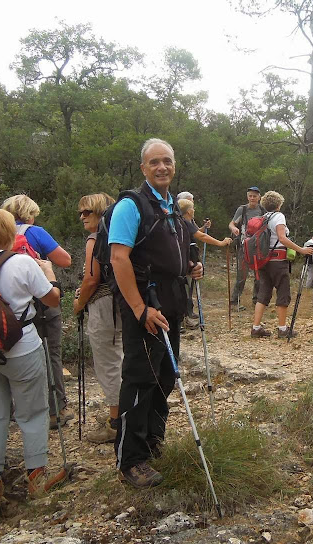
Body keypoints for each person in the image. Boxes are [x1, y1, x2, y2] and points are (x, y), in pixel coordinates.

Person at [108, 138, 203, 488]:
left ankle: (151, 443)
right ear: (143, 168)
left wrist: (191, 266)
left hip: (171, 306)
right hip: (145, 308)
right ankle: (130, 461)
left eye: (167, 161)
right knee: (140, 380)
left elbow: (170, 255)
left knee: (164, 378)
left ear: (174, 165)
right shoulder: (131, 206)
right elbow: (119, 258)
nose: (162, 167)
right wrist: (138, 308)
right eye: (154, 162)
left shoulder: (170, 207)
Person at [0, 208, 67, 514]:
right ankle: (36, 479)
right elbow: (52, 299)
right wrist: (49, 274)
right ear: (8, 232)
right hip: (21, 347)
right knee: (33, 413)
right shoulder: (21, 261)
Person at [0, 195, 74, 430]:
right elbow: (65, 260)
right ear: (30, 213)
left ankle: (19, 410)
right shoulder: (35, 232)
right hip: (42, 301)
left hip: (9, 307)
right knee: (51, 353)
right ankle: (56, 410)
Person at [72, 193, 123, 444]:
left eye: (87, 212)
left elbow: (92, 279)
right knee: (120, 360)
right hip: (121, 304)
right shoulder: (120, 237)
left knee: (108, 364)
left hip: (103, 307)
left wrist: (79, 303)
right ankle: (125, 415)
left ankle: (115, 424)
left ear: (101, 213)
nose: (82, 217)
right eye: (81, 212)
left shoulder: (95, 239)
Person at [250, 191, 313, 338]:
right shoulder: (279, 216)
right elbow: (282, 238)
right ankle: (283, 329)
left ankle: (256, 327)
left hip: (263, 260)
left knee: (263, 293)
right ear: (279, 204)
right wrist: (301, 250)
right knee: (283, 293)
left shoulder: (263, 218)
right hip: (278, 260)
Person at [177, 198, 232, 329]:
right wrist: (221, 243)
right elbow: (201, 236)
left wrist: (204, 227)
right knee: (185, 290)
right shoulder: (185, 221)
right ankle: (182, 320)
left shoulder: (180, 221)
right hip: (186, 261)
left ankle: (184, 319)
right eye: (193, 209)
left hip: (181, 260)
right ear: (189, 211)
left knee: (186, 290)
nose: (194, 210)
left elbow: (197, 232)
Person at [228, 186, 265, 310]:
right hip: (244, 246)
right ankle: (234, 302)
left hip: (259, 247)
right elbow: (232, 223)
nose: (252, 198)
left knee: (259, 276)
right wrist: (234, 228)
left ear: (259, 197)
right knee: (241, 275)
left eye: (255, 196)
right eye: (250, 196)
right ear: (247, 196)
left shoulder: (263, 210)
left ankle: (257, 301)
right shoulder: (242, 209)